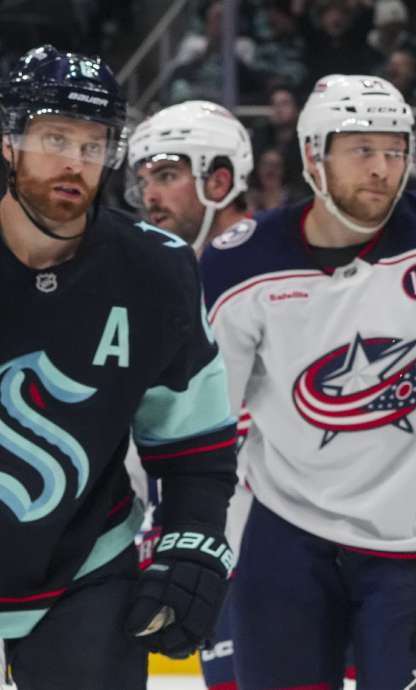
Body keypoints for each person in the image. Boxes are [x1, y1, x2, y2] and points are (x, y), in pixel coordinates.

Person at [201, 73, 416, 689]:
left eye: (395, 150)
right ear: (314, 155)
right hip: (288, 537)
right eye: (362, 150)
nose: (383, 168)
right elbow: (203, 423)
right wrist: (190, 529)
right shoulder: (240, 264)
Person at [0, 44, 237, 687]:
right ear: (9, 140)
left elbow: (195, 445)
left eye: (94, 144)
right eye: (54, 137)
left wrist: (193, 541)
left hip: (85, 566)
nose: (75, 162)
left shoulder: (154, 270)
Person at [125, 98, 256, 690]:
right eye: (145, 177)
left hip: (286, 545)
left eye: (168, 174)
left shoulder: (274, 277)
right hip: (204, 540)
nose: (151, 193)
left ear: (220, 179)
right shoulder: (148, 282)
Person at [127, 100, 255, 251]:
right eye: (143, 182)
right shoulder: (166, 267)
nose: (149, 197)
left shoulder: (274, 261)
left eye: (167, 176)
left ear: (218, 183)